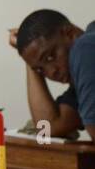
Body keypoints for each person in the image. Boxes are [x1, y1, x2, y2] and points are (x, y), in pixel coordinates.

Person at [10, 9, 85, 138]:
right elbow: (48, 127)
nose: (51, 73)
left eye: (50, 57)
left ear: (70, 34)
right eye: (40, 69)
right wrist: (30, 60)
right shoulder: (81, 82)